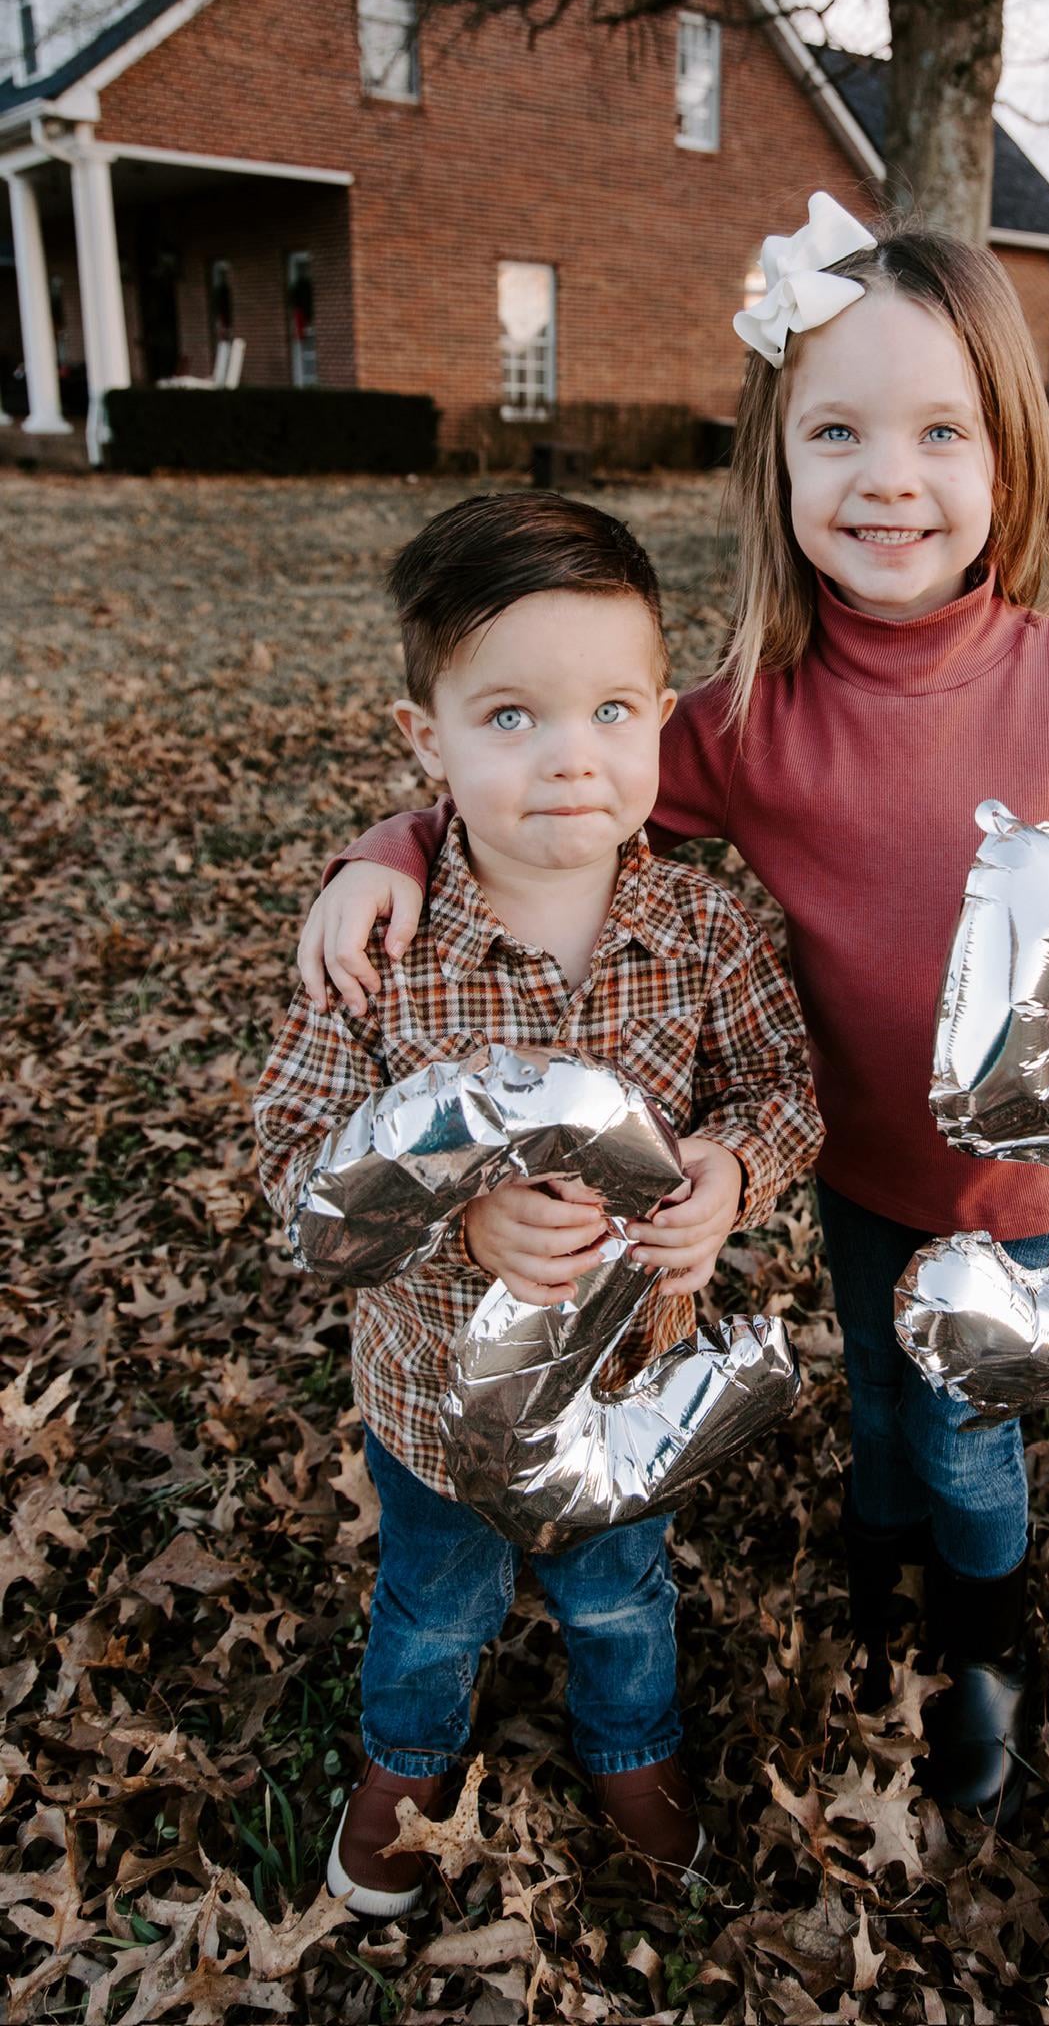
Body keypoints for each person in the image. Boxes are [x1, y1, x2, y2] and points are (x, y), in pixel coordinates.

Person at [293, 195, 1049, 1834]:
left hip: (1018, 1179)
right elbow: (562, 795)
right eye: (837, 432)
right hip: (850, 1162)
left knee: (964, 1433)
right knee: (877, 1396)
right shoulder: (748, 715)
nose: (889, 478)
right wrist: (390, 847)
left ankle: (984, 1645)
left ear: (1009, 460)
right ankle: (877, 1571)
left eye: (940, 431)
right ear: (778, 466)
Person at [254, 492, 819, 1916]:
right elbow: (293, 1156)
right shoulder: (381, 949)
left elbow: (785, 1089)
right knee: (433, 1607)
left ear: (663, 721)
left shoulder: (704, 929)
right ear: (425, 739)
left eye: (612, 712)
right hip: (434, 1399)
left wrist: (730, 1172)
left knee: (621, 1597)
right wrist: (456, 1219)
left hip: (622, 1397)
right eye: (510, 716)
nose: (572, 756)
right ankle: (404, 1762)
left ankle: (633, 1753)